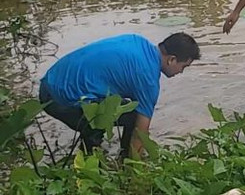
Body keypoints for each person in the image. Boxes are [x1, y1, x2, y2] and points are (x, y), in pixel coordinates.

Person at [38, 32, 200, 158]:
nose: (181, 72)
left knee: (122, 107)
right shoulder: (148, 79)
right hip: (58, 101)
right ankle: (93, 162)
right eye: (183, 67)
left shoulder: (138, 41)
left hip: (48, 83)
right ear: (172, 59)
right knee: (127, 117)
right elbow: (140, 133)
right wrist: (137, 169)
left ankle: (115, 155)